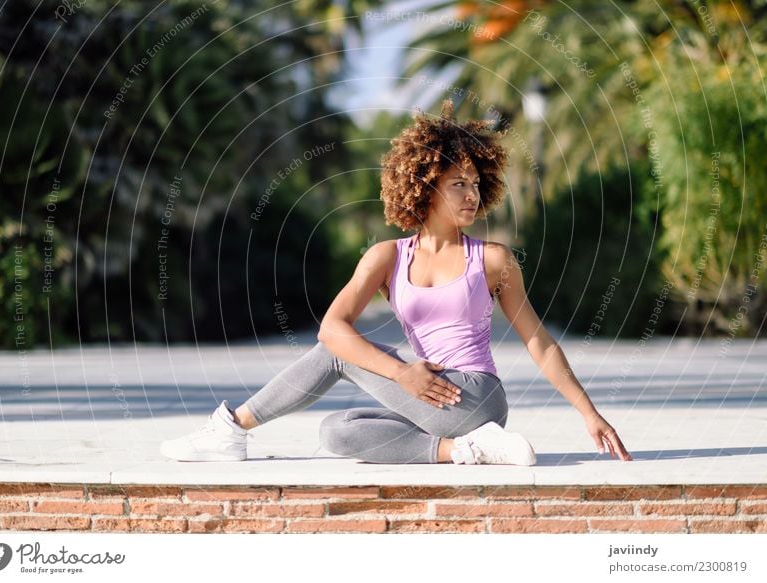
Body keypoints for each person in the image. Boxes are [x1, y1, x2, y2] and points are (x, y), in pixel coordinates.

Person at [160, 99, 633, 465]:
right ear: (424, 187)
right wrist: (404, 373)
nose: (471, 195)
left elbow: (539, 342)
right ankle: (467, 451)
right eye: (457, 184)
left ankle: (232, 428)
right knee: (337, 431)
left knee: (335, 350)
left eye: (474, 183)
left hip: (475, 394)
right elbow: (334, 323)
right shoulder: (385, 257)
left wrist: (589, 413)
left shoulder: (491, 259)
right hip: (427, 395)